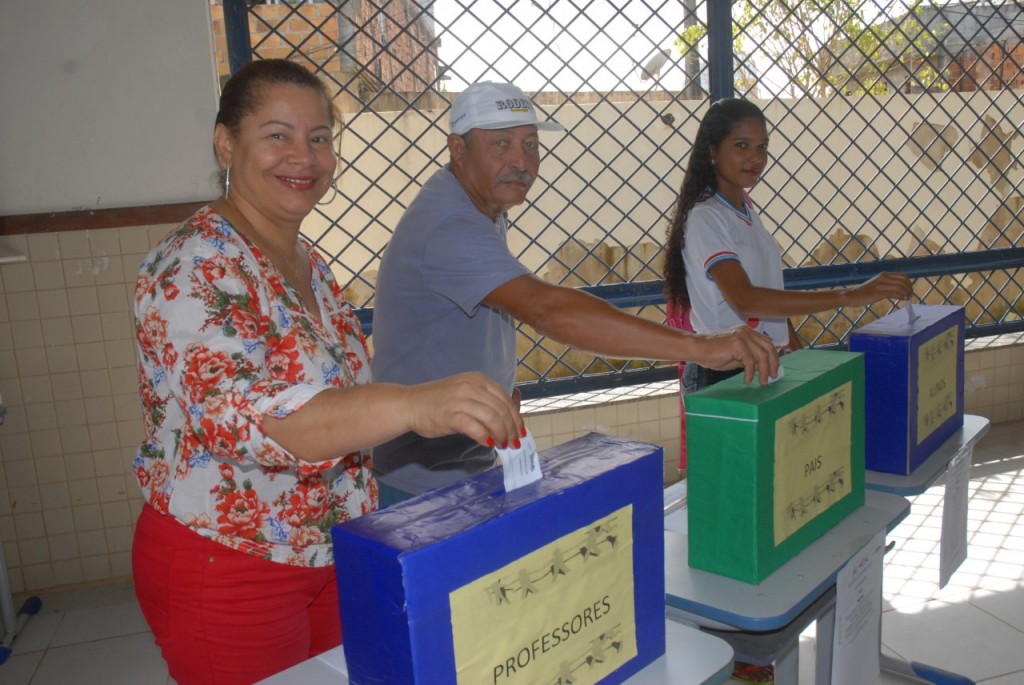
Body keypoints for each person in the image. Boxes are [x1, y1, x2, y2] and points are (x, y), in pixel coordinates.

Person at [130, 59, 523, 685]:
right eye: (278, 135)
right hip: (231, 562)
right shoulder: (193, 264)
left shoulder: (306, 262)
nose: (304, 157)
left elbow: (342, 400)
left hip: (331, 547)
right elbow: (255, 419)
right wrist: (413, 404)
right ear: (226, 142)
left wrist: (451, 408)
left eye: (319, 138)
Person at [370, 81, 781, 504]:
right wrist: (699, 347)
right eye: (501, 144)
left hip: (461, 459)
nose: (521, 161)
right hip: (419, 483)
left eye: (530, 143)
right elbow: (545, 309)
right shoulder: (449, 225)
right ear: (459, 149)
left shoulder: (478, 204)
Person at [662, 97, 912, 685]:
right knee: (730, 529)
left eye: (762, 146)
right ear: (712, 151)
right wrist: (853, 295)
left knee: (770, 522)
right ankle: (734, 661)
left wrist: (799, 352)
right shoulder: (706, 218)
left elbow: (767, 302)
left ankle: (757, 659)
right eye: (742, 145)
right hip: (726, 384)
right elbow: (746, 302)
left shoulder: (743, 210)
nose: (755, 157)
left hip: (762, 374)